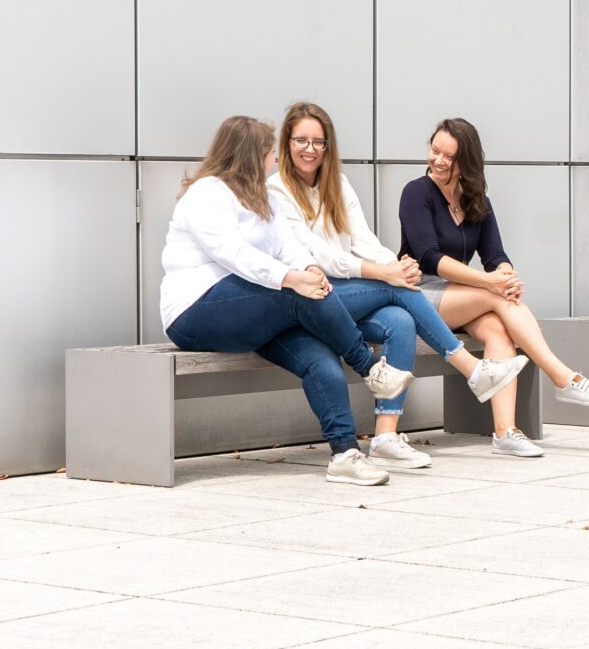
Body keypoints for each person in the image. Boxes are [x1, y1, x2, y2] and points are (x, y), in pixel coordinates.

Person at [267, 102, 526, 470]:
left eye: (318, 142)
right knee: (399, 291)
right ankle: (472, 369)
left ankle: (386, 436)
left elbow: (364, 238)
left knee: (400, 320)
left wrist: (395, 265)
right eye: (301, 141)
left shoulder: (336, 183)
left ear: (328, 146)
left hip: (347, 293)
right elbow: (317, 255)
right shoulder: (276, 190)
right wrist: (385, 275)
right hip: (309, 296)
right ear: (287, 142)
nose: (310, 149)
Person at [160, 116, 410, 487]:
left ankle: (344, 453)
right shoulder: (207, 193)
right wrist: (294, 279)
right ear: (249, 154)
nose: (275, 160)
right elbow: (233, 253)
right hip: (196, 312)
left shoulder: (265, 197)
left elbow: (288, 247)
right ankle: (370, 369)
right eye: (269, 152)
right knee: (299, 293)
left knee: (319, 359)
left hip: (254, 312)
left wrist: (309, 269)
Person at [398, 117, 589, 457]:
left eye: (449, 156)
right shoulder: (416, 192)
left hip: (459, 293)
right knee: (492, 295)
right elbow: (428, 257)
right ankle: (562, 377)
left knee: (499, 329)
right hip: (418, 293)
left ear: (465, 161)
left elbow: (495, 254)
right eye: (434, 151)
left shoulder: (476, 198)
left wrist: (506, 276)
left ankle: (505, 432)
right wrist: (491, 282)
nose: (438, 161)